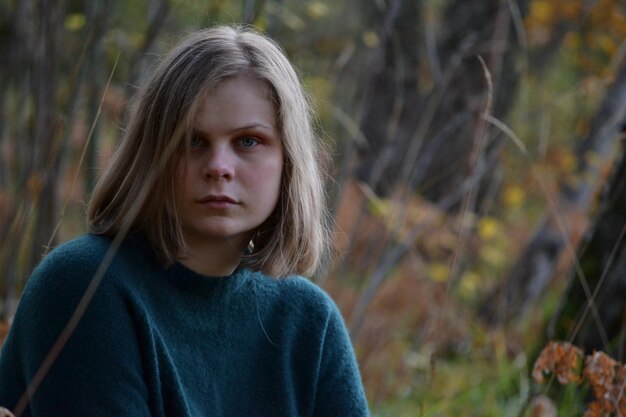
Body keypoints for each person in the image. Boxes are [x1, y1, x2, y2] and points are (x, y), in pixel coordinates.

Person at [0, 25, 370, 416]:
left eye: (248, 141)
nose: (218, 167)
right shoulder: (86, 284)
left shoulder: (308, 321)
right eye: (193, 141)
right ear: (152, 156)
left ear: (288, 161)